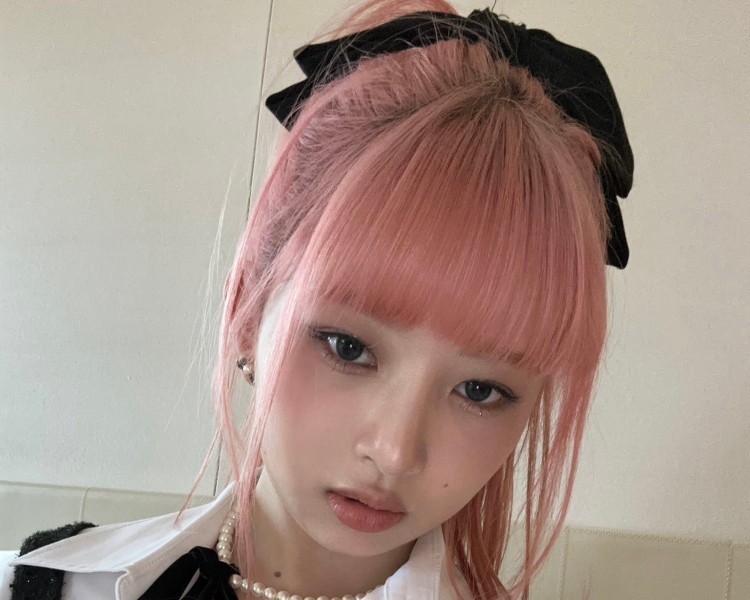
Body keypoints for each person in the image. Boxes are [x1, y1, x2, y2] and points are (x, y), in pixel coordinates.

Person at [0, 0, 634, 599]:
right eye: (348, 347)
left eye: (480, 390)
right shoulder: (50, 585)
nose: (395, 453)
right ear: (249, 312)